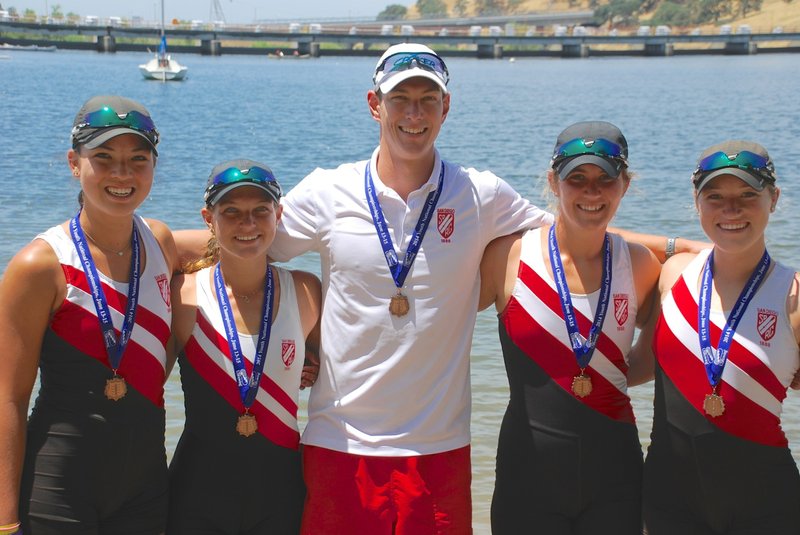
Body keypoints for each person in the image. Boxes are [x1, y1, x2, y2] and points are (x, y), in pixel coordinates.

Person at [171, 43, 704, 533]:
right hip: (340, 442)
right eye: (400, 98)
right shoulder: (329, 191)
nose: (414, 113)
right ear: (374, 105)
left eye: (428, 99)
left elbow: (577, 222)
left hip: (440, 448)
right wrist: (150, 246)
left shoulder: (481, 194)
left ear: (446, 109)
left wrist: (692, 248)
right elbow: (243, 238)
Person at [0, 95, 179, 534]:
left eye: (138, 159)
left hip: (146, 488)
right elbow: (8, 399)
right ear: (74, 163)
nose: (122, 174)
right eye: (104, 158)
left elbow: (237, 242)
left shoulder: (160, 242)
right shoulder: (39, 266)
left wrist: (308, 342)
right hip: (58, 485)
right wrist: (5, 522)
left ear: (154, 166)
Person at [479, 121, 661, 534]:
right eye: (576, 179)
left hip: (616, 479)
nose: (592, 192)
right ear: (552, 182)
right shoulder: (508, 257)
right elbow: (436, 320)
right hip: (526, 479)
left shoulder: (642, 265)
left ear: (625, 185)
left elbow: (683, 341)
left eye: (605, 179)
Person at [641, 141, 800, 534]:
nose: (731, 210)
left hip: (767, 507)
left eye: (748, 195)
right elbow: (591, 233)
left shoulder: (792, 295)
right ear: (696, 202)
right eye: (715, 197)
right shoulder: (673, 275)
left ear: (774, 198)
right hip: (667, 502)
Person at [167, 159, 321, 534]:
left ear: (279, 214)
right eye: (231, 212)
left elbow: (329, 372)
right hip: (196, 494)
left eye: (260, 212)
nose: (247, 225)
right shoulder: (184, 296)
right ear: (208, 218)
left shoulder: (306, 291)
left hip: (282, 492)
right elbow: (146, 393)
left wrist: (310, 362)